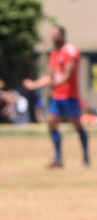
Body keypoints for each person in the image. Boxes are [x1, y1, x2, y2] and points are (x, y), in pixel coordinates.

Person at [23, 26, 88, 168]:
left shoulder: (70, 51)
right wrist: (35, 85)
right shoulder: (54, 54)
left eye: (55, 34)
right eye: (52, 34)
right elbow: (50, 76)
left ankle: (86, 158)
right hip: (57, 96)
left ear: (63, 35)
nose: (53, 37)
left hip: (69, 96)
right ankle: (58, 159)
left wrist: (55, 83)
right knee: (52, 124)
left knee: (77, 126)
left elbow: (68, 73)